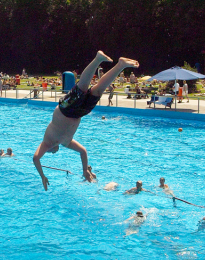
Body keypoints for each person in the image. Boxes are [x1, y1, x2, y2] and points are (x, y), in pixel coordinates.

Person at [33, 52, 139, 190]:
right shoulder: (66, 142)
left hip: (65, 109)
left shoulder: (48, 142)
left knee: (81, 88)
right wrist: (85, 170)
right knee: (98, 90)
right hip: (79, 113)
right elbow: (83, 152)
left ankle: (98, 59)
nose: (54, 152)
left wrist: (42, 176)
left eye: (52, 152)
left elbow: (36, 158)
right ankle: (121, 65)